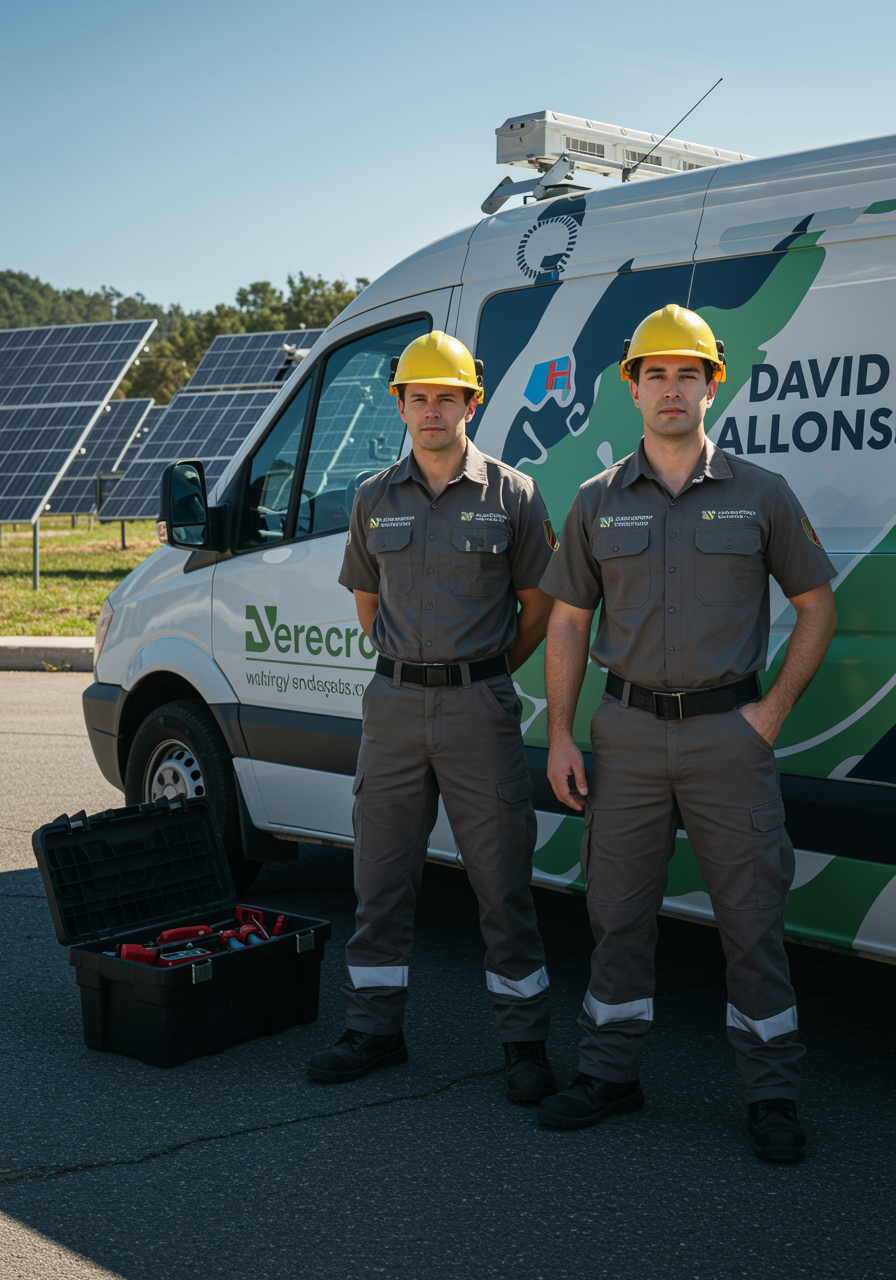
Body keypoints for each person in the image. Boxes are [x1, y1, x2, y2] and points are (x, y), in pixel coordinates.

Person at [535, 304, 838, 1161]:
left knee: (751, 922)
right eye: (655, 374)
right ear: (631, 389)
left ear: (714, 385)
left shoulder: (761, 494)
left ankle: (772, 1094)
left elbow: (817, 605)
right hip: (625, 734)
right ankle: (608, 1075)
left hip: (726, 738)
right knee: (616, 914)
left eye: (688, 374)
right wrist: (561, 735)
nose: (672, 389)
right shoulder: (596, 500)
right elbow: (565, 623)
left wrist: (769, 715)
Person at [307, 330, 558, 1103]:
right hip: (392, 706)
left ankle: (524, 1043)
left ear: (470, 403)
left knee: (501, 883)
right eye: (418, 397)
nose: (431, 410)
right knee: (379, 878)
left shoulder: (513, 495)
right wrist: (417, 669)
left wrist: (480, 672)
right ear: (401, 406)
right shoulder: (372, 497)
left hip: (479, 707)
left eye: (446, 396)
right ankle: (374, 1030)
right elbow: (366, 603)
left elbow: (539, 607)